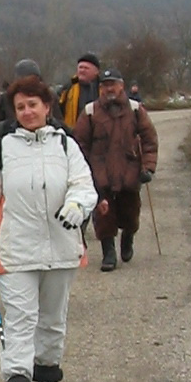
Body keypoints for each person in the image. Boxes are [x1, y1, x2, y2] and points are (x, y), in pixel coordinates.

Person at [0, 74, 97, 382]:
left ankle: (47, 369)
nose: (27, 112)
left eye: (33, 105)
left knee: (52, 317)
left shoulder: (66, 145)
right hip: (17, 248)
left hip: (62, 246)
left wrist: (77, 206)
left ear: (46, 107)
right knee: (20, 317)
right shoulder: (3, 149)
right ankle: (16, 378)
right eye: (20, 107)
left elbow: (84, 185)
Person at [73, 68, 159, 271]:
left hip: (130, 172)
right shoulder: (90, 112)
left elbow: (149, 140)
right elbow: (79, 144)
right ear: (100, 88)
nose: (109, 89)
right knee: (104, 216)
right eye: (105, 85)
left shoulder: (136, 110)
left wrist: (148, 167)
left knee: (130, 214)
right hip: (100, 173)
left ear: (122, 86)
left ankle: (128, 238)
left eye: (113, 84)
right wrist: (82, 171)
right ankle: (108, 253)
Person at [57, 53, 101, 129]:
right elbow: (58, 110)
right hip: (72, 133)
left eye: (86, 68)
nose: (82, 70)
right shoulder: (68, 87)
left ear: (96, 71)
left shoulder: (103, 88)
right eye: (80, 67)